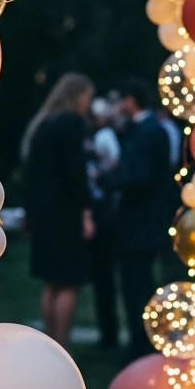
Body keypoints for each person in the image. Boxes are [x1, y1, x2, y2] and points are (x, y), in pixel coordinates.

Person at [21, 73, 95, 349]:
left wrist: (29, 212)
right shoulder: (71, 123)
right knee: (68, 281)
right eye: (88, 96)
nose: (89, 103)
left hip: (43, 212)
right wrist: (85, 212)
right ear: (78, 95)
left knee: (51, 281)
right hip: (65, 212)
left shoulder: (42, 125)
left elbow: (31, 174)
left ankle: (50, 343)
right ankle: (61, 344)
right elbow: (76, 173)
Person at [109, 77, 180, 360]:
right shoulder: (146, 130)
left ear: (130, 100)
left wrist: (112, 180)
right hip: (142, 221)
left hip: (141, 223)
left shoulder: (149, 132)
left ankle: (143, 341)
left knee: (137, 283)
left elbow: (140, 177)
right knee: (137, 282)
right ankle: (143, 338)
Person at [87, 97, 122, 349]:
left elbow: (114, 164)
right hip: (104, 209)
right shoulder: (104, 136)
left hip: (104, 211)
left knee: (104, 274)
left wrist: (100, 172)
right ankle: (108, 332)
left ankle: (108, 333)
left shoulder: (104, 137)